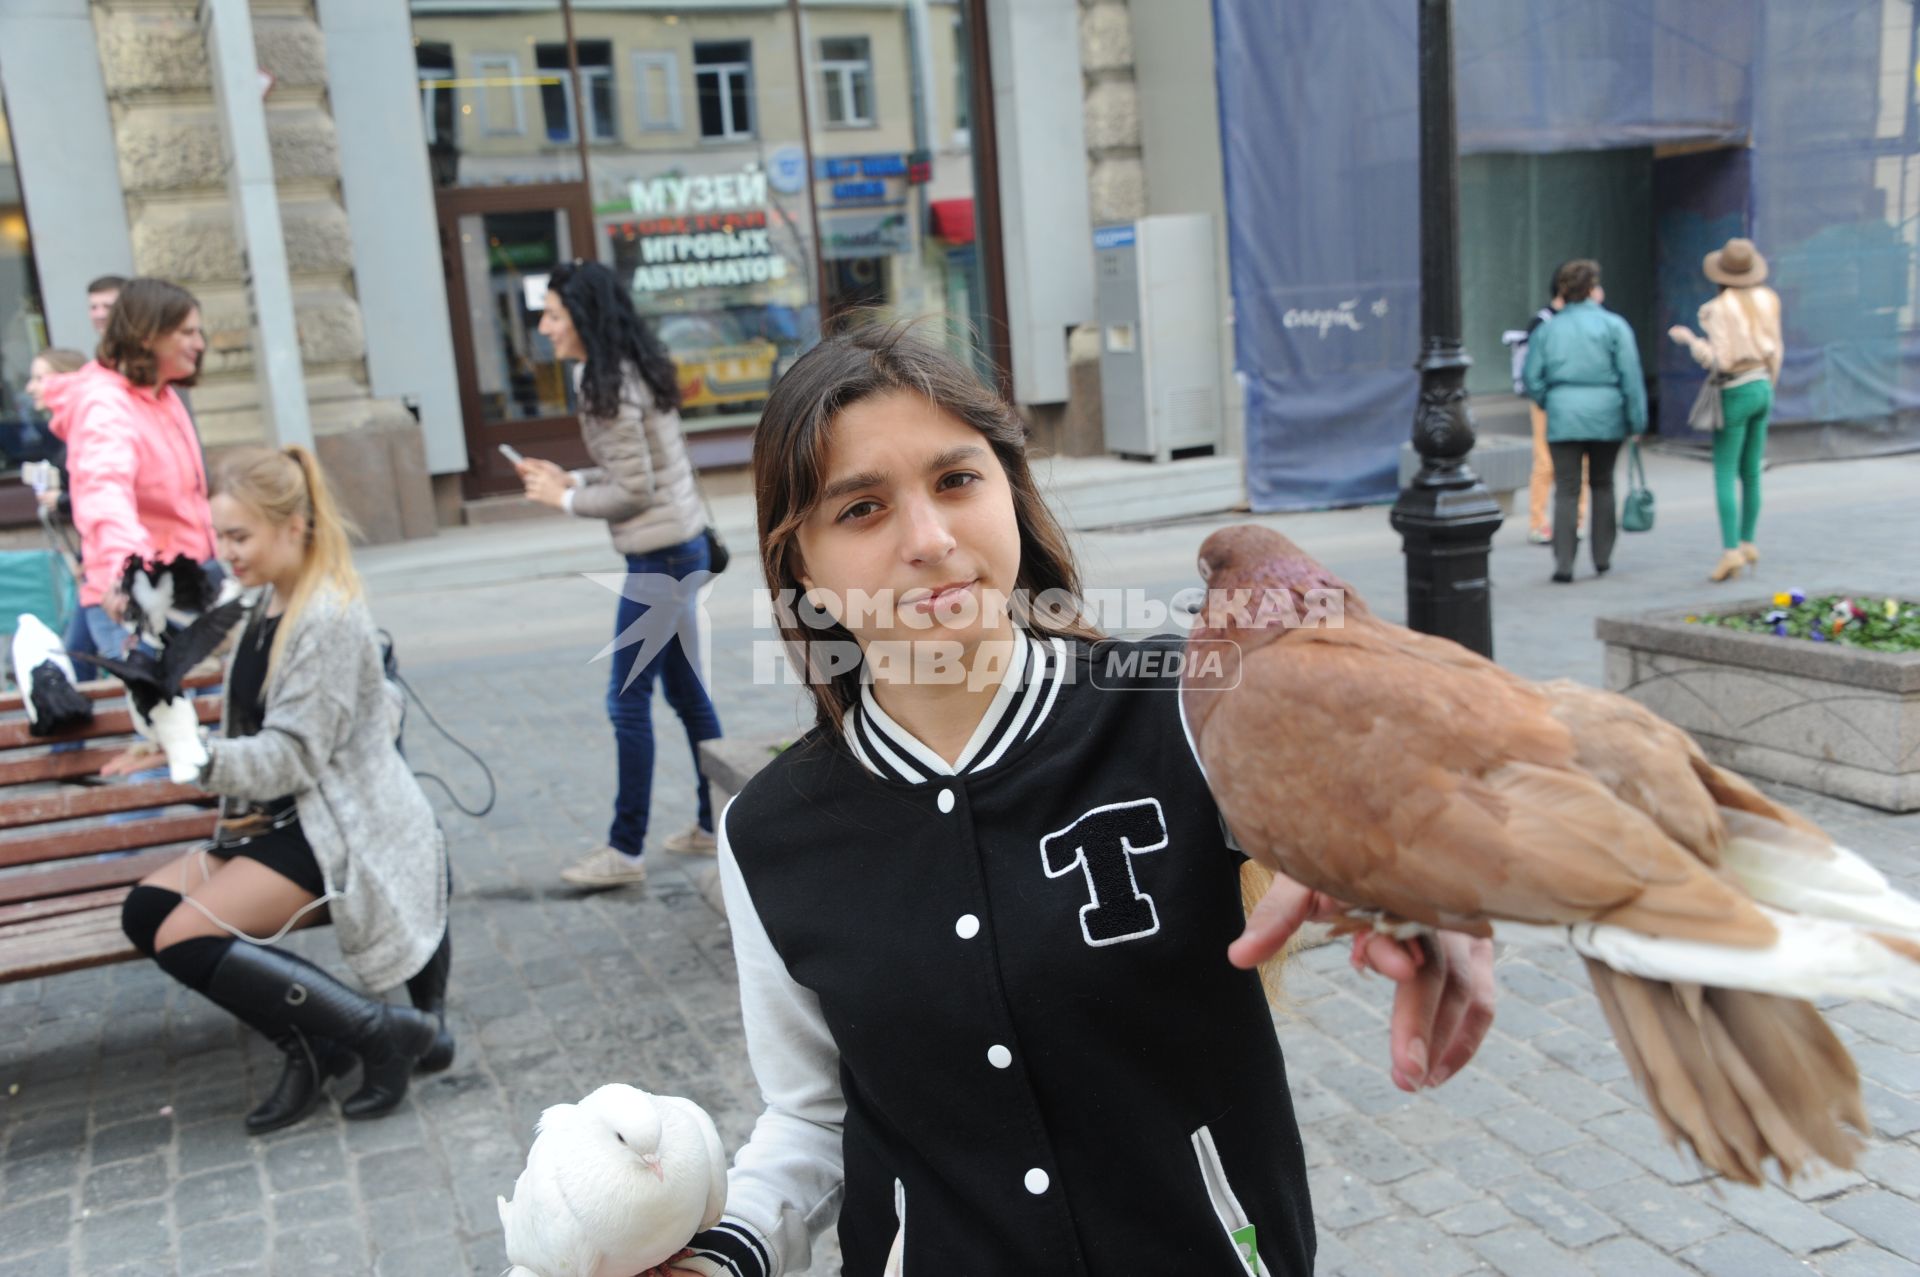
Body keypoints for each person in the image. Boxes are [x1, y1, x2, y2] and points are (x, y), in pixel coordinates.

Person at [656, 325, 1495, 1276]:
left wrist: (1423, 886)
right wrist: (722, 1252)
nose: (929, 540)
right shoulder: (770, 833)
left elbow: (1383, 821)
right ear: (799, 565)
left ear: (1011, 490)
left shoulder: (1187, 707)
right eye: (861, 508)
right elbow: (814, 1114)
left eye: (957, 481)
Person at [106, 445, 453, 1134]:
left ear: (292, 525)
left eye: (239, 536)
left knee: (181, 936)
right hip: (282, 823)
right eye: (220, 536)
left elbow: (291, 756)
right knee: (145, 911)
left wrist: (195, 756)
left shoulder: (325, 616)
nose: (225, 551)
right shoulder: (266, 600)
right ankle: (314, 1044)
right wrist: (158, 730)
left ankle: (377, 1033)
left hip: (339, 828)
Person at [520, 260, 723, 889]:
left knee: (626, 702)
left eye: (554, 314)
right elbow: (648, 469)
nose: (545, 327)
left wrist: (565, 502)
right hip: (678, 548)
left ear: (585, 317)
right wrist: (575, 478)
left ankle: (625, 850)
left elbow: (635, 489)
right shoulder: (628, 369)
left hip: (659, 558)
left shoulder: (605, 386)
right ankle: (719, 823)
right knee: (687, 695)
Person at [37, 279, 217, 668]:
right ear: (148, 335)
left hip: (179, 583)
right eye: (187, 332)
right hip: (143, 593)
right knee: (172, 720)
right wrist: (132, 578)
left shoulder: (162, 395)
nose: (199, 343)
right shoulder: (106, 404)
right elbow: (105, 498)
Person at [1522, 260, 1647, 584]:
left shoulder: (1548, 329)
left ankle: (1564, 563)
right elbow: (1631, 378)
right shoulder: (1615, 325)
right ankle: (1602, 558)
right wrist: (1637, 422)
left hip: (1563, 414)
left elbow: (1531, 377)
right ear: (1592, 289)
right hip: (1607, 414)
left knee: (1566, 487)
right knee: (1603, 483)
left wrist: (1550, 401)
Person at [1667, 238, 1784, 582]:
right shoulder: (1768, 299)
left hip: (1735, 390)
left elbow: (1719, 360)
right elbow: (1776, 350)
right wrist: (1768, 385)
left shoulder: (1717, 308)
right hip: (1763, 385)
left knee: (1724, 472)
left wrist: (1690, 341)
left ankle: (1731, 550)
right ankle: (1748, 543)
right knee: (1751, 472)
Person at [1501, 274, 1586, 544]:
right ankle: (1539, 523)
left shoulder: (1582, 319)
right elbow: (1533, 369)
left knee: (1581, 461)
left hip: (1574, 399)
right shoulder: (1543, 322)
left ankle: (1578, 521)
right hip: (1548, 400)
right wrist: (1542, 396)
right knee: (1546, 461)